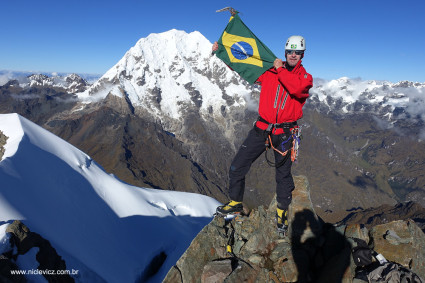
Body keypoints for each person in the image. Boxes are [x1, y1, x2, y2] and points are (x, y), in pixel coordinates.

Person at [213, 35, 313, 233]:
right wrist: (221, 53)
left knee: (283, 175)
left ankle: (282, 213)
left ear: (302, 54)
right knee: (237, 166)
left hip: (284, 133)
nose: (293, 55)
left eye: (297, 52)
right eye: (290, 51)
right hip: (262, 128)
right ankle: (235, 202)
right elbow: (245, 67)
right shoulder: (270, 72)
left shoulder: (304, 78)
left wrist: (280, 69)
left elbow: (296, 88)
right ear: (285, 52)